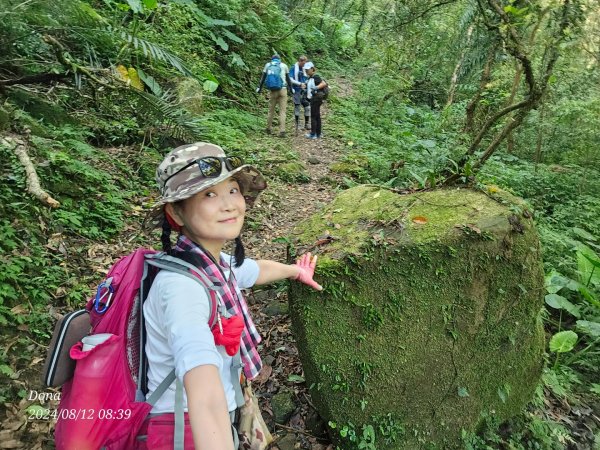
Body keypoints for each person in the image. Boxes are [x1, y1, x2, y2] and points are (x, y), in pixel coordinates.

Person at [140, 142, 322, 449]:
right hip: (184, 428)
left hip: (216, 411)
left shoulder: (210, 264)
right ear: (176, 212)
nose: (229, 204)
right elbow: (201, 380)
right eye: (209, 195)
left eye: (232, 190)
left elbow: (254, 271)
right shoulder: (181, 288)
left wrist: (294, 271)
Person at [256, 55, 293, 137]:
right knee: (282, 111)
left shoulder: (268, 65)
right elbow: (288, 79)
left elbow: (263, 78)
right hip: (283, 90)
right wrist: (291, 89)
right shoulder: (284, 66)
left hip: (273, 91)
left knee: (271, 110)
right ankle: (282, 131)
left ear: (272, 59)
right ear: (279, 59)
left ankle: (268, 129)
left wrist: (259, 88)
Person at [304, 62, 328, 140]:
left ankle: (313, 134)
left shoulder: (316, 76)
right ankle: (318, 133)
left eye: (308, 69)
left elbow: (324, 83)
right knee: (317, 116)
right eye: (306, 70)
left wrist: (316, 88)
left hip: (316, 99)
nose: (306, 71)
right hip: (314, 99)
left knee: (313, 116)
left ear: (312, 69)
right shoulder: (310, 77)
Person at [289, 55, 311, 132]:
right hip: (296, 89)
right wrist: (299, 84)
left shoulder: (305, 68)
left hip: (304, 90)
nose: (304, 65)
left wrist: (306, 83)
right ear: (300, 61)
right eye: (303, 63)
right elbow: (290, 79)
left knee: (307, 107)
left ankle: (307, 124)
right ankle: (297, 125)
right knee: (297, 106)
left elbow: (307, 77)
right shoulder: (293, 67)